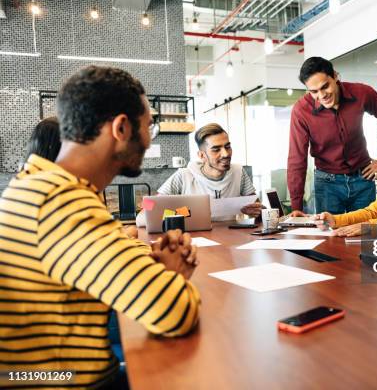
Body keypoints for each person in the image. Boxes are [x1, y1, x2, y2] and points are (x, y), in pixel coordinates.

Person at [0, 66, 201, 389]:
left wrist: (152, 266)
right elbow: (174, 312)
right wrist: (171, 274)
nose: (149, 139)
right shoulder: (61, 201)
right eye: (149, 126)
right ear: (122, 128)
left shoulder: (38, 184)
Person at [288, 56, 377, 215]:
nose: (321, 95)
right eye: (314, 92)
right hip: (327, 185)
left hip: (363, 178)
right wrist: (296, 207)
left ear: (335, 76)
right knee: (330, 236)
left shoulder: (361, 93)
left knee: (365, 234)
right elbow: (296, 158)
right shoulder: (301, 111)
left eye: (325, 86)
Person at [147, 123, 262, 220]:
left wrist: (256, 211)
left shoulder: (239, 172)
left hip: (230, 238)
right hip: (194, 240)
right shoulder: (183, 175)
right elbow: (150, 204)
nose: (226, 154)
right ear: (202, 155)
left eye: (227, 147)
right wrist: (144, 207)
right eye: (216, 150)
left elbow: (260, 209)